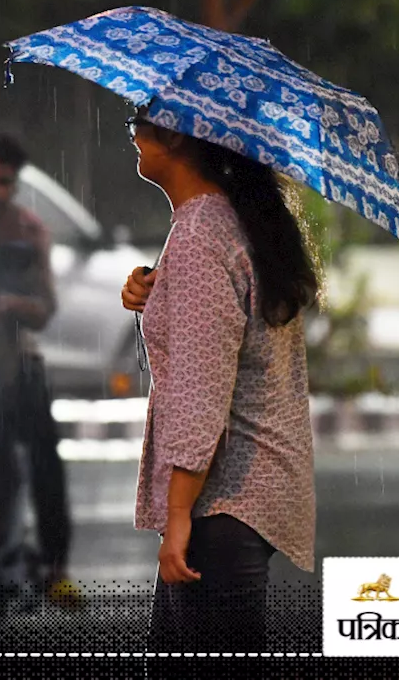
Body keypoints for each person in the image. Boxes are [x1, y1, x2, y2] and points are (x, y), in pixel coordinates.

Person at [120, 108, 318, 654]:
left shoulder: (201, 236)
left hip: (220, 505)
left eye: (138, 119)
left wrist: (179, 514)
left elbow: (200, 389)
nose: (133, 134)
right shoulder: (223, 223)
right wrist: (152, 294)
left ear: (178, 136)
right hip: (244, 499)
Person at [0, 131, 80, 610]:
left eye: (1, 182)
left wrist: (7, 303)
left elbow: (45, 308)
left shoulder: (28, 230)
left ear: (13, 185)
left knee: (46, 465)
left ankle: (55, 567)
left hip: (18, 364)